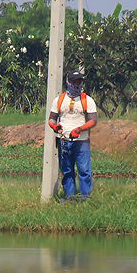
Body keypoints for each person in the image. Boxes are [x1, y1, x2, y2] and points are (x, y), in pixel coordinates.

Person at [48, 69, 98, 200]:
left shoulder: (87, 100)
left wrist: (80, 129)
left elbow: (93, 120)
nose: (76, 84)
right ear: (68, 82)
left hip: (81, 142)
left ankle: (84, 198)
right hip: (63, 141)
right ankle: (70, 197)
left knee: (84, 171)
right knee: (67, 171)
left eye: (79, 82)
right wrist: (55, 126)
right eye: (74, 81)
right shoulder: (59, 100)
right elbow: (51, 118)